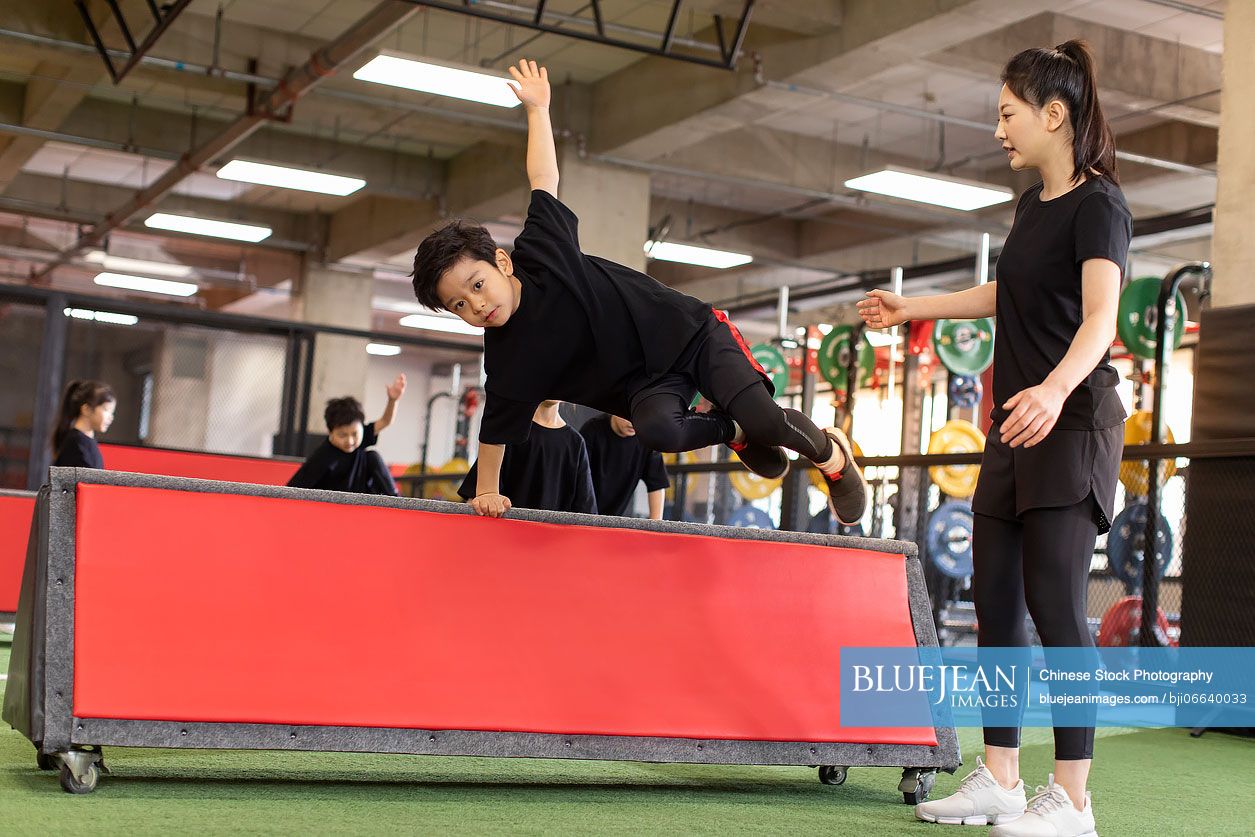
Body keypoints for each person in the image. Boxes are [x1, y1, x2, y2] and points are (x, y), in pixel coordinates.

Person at [860, 40, 1128, 837]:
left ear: (1054, 115)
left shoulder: (1098, 204)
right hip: (1013, 428)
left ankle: (1073, 800)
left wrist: (1052, 388)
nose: (1000, 129)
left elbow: (1099, 318)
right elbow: (1004, 291)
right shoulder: (1029, 208)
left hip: (1070, 423)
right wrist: (915, 309)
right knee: (997, 607)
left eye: (1008, 114)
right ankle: (1002, 777)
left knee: (1057, 608)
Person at [410, 59, 866, 524]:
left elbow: (543, 179)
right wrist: (486, 491)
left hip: (691, 335)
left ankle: (833, 458)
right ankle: (732, 430)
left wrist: (538, 111)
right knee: (658, 431)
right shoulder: (507, 357)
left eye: (478, 285)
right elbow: (495, 433)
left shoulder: (543, 252)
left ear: (502, 263)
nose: (478, 305)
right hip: (648, 386)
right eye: (459, 306)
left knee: (768, 420)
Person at [457, 400, 597, 515]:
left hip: (550, 544)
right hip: (504, 539)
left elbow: (585, 512)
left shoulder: (576, 443)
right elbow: (475, 500)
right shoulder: (510, 432)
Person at [287, 374, 406, 496]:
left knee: (372, 456)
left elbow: (385, 421)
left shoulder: (362, 438)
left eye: (355, 434)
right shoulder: (322, 458)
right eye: (342, 435)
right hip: (336, 506)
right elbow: (291, 489)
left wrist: (393, 400)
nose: (350, 441)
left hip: (363, 499)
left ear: (361, 428)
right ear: (330, 432)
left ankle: (396, 500)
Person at [579, 414, 668, 519]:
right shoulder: (592, 430)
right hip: (582, 514)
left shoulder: (647, 439)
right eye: (628, 415)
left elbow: (657, 485)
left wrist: (656, 528)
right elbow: (580, 480)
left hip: (613, 519)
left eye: (639, 416)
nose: (633, 423)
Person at [51, 379, 115, 469]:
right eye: (106, 410)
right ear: (86, 409)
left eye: (112, 412)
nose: (111, 417)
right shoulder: (76, 444)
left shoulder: (86, 441)